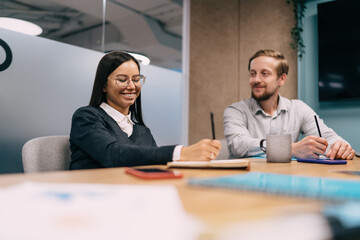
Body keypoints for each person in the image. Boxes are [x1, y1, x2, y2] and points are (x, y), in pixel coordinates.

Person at [70, 51, 221, 170]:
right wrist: (180, 153)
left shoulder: (143, 131)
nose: (131, 86)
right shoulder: (86, 117)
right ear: (103, 85)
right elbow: (113, 155)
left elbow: (154, 164)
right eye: (122, 80)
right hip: (91, 199)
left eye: (136, 79)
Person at [223, 49, 355, 160]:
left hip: (288, 180)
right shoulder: (235, 111)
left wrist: (341, 146)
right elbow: (238, 145)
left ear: (282, 79)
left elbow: (327, 137)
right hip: (246, 183)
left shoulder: (299, 108)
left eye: (264, 74)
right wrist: (290, 148)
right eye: (253, 74)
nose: (256, 79)